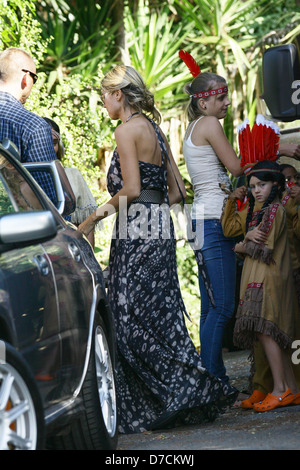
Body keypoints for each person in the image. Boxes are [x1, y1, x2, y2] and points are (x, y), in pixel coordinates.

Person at [78, 64, 237, 433]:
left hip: (135, 228)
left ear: (119, 94)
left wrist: (91, 220)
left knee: (127, 313)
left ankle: (163, 397)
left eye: (104, 93)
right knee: (162, 314)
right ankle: (184, 390)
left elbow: (131, 190)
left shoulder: (125, 131)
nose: (102, 101)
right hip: (160, 227)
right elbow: (178, 192)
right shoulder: (155, 129)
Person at [181, 69, 245, 389]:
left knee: (210, 306)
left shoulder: (192, 126)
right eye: (220, 98)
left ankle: (213, 378)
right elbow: (236, 166)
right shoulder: (209, 124)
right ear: (203, 103)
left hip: (201, 220)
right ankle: (211, 380)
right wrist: (277, 150)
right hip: (213, 221)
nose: (226, 103)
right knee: (223, 306)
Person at [222, 160, 300, 411]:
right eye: (253, 186)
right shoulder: (261, 211)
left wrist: (242, 243)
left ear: (275, 185)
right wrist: (245, 237)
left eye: (262, 185)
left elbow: (261, 247)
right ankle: (290, 389)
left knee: (270, 333)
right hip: (259, 278)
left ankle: (279, 389)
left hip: (270, 279)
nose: (256, 190)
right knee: (269, 334)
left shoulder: (275, 210)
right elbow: (239, 234)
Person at [0, 47, 58, 205]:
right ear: (25, 78)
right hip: (15, 226)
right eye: (35, 78)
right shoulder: (32, 125)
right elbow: (49, 198)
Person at [43, 117, 98, 247]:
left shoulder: (72, 175)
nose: (50, 147)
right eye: (44, 142)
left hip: (70, 250)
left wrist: (89, 258)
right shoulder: (23, 175)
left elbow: (86, 225)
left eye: (54, 143)